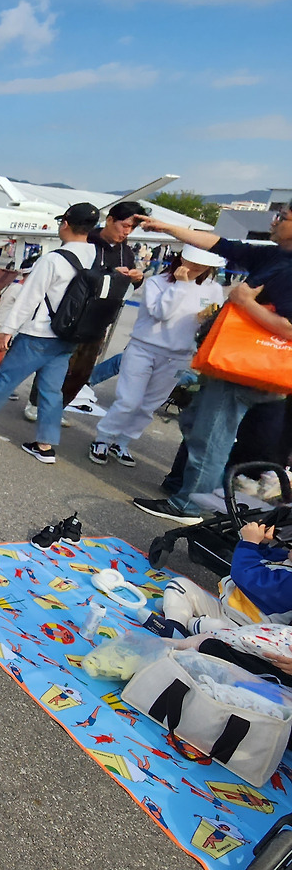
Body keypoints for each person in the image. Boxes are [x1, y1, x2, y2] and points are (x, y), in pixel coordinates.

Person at [132, 210, 292, 524]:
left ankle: (188, 505)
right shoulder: (274, 255)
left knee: (211, 437)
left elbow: (289, 328)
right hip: (248, 367)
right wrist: (167, 228)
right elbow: (219, 244)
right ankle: (210, 489)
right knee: (196, 422)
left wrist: (245, 303)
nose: (273, 221)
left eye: (282, 216)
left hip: (245, 370)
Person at [0, 203, 100, 463]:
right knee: (52, 391)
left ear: (65, 223)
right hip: (69, 336)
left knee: (5, 379)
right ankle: (45, 445)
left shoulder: (54, 259)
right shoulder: (96, 257)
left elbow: (29, 297)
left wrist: (7, 329)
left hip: (39, 333)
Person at [90, 245, 226, 467]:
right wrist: (181, 286)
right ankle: (103, 439)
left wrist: (206, 320)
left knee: (149, 405)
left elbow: (211, 319)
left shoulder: (213, 289)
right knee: (129, 401)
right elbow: (161, 313)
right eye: (194, 262)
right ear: (182, 258)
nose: (198, 267)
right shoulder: (157, 282)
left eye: (204, 265)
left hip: (180, 355)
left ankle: (122, 442)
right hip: (144, 348)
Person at [24, 201, 148, 419]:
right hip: (73, 314)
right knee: (58, 365)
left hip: (99, 320)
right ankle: (36, 403)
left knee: (82, 371)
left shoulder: (126, 252)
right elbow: (71, 275)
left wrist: (136, 279)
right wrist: (108, 274)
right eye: (125, 225)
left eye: (132, 228)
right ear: (110, 220)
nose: (127, 232)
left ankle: (57, 408)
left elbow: (126, 287)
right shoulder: (86, 241)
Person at [157, 521, 289, 638]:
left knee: (208, 626)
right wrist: (261, 544)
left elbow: (246, 576)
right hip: (223, 609)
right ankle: (175, 625)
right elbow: (261, 557)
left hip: (243, 630)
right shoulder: (286, 558)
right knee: (180, 585)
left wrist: (249, 543)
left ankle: (181, 618)